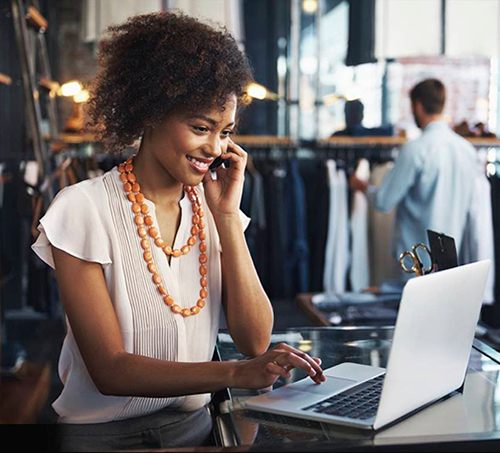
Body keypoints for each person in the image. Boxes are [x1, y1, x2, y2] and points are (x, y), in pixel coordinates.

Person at [32, 11, 325, 452]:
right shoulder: (81, 209)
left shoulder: (212, 208)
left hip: (196, 430)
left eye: (225, 132)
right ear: (151, 113)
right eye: (200, 127)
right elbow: (109, 371)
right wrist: (232, 374)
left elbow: (254, 339)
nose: (215, 148)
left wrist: (227, 219)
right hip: (103, 439)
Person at [349, 78, 477, 274]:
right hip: (451, 263)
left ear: (417, 105)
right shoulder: (467, 151)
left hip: (416, 265)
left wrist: (361, 185)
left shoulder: (415, 150)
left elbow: (383, 201)